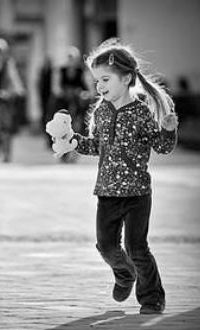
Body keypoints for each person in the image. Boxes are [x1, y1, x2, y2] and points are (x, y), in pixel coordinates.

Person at [70, 39, 178, 314]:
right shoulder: (101, 112)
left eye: (105, 79)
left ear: (127, 78)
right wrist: (73, 141)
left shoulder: (141, 113)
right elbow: (96, 146)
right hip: (107, 192)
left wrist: (167, 130)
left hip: (137, 194)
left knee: (137, 247)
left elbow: (162, 147)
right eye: (96, 81)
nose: (99, 86)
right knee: (105, 246)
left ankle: (152, 298)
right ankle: (124, 273)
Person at [0, 38, 24, 163]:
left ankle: (6, 154)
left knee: (6, 129)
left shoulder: (8, 63)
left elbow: (13, 78)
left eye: (0, 50)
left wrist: (15, 91)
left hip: (6, 100)